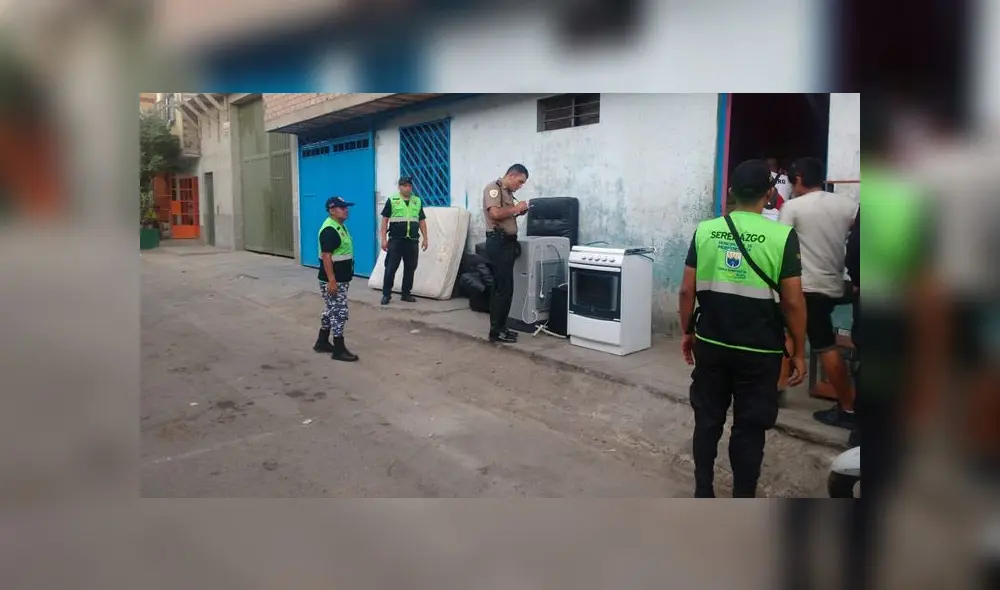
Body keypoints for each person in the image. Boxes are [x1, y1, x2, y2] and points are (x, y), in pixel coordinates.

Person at [678, 158, 807, 498]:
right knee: (749, 429)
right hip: (761, 352)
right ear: (769, 195)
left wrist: (687, 331)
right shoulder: (782, 236)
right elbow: (793, 302)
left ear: (731, 192)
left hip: (712, 343)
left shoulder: (705, 231)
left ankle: (703, 491)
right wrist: (798, 348)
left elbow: (686, 290)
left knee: (707, 421)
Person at [779, 157, 859, 430]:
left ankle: (847, 407)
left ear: (799, 178)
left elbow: (781, 246)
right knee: (788, 332)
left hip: (807, 288)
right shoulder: (848, 206)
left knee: (824, 345)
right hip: (835, 285)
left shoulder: (792, 207)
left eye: (792, 181)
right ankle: (778, 389)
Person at [482, 163, 530, 344]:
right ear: (512, 175)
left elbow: (506, 215)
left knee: (507, 288)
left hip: (508, 243)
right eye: (520, 181)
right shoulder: (493, 189)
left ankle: (502, 326)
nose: (520, 185)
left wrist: (518, 212)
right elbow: (495, 214)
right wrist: (516, 209)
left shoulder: (508, 193)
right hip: (498, 242)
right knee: (502, 289)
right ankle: (495, 331)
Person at [313, 196, 359, 362]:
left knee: (330, 309)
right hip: (333, 281)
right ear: (332, 210)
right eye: (341, 207)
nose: (346, 209)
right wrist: (332, 280)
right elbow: (326, 256)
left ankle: (322, 341)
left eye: (346, 207)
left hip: (340, 278)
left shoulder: (340, 226)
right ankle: (338, 349)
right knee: (339, 312)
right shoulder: (330, 230)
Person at [379, 176, 428, 305]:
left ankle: (406, 293)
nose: (407, 188)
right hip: (396, 240)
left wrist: (425, 239)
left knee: (410, 268)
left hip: (412, 240)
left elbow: (421, 220)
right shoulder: (392, 200)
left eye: (409, 186)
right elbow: (384, 220)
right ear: (399, 187)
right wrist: (383, 239)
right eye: (405, 185)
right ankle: (386, 294)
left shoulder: (417, 201)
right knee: (390, 268)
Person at [763, 157, 792, 222]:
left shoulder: (759, 178)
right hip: (781, 218)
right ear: (778, 167)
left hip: (762, 218)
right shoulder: (788, 179)